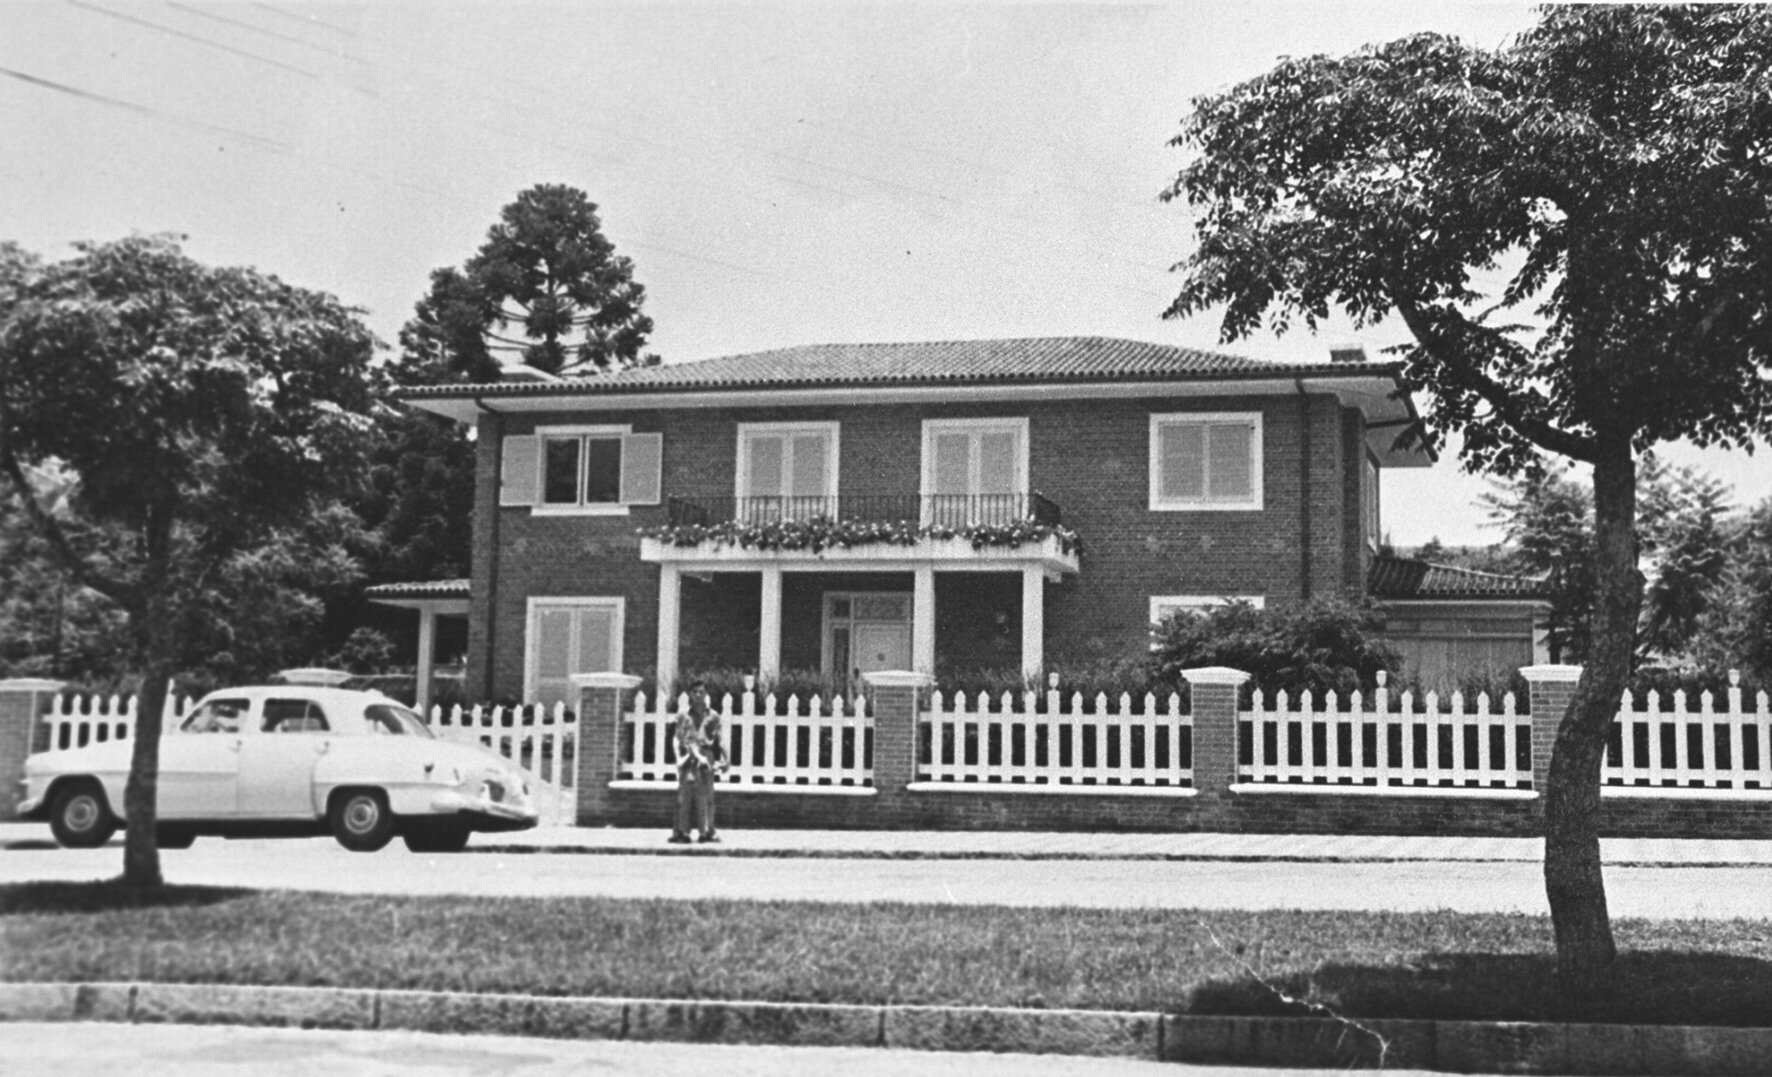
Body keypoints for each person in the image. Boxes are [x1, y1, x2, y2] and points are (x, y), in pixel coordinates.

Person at [668, 680, 723, 843]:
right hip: (688, 759)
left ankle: (706, 832)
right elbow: (677, 738)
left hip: (706, 759)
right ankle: (681, 833)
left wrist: (722, 760)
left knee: (706, 797)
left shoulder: (713, 715)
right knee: (684, 797)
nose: (698, 694)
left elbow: (719, 739)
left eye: (701, 691)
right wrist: (679, 758)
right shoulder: (683, 715)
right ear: (690, 695)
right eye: (695, 691)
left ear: (706, 694)